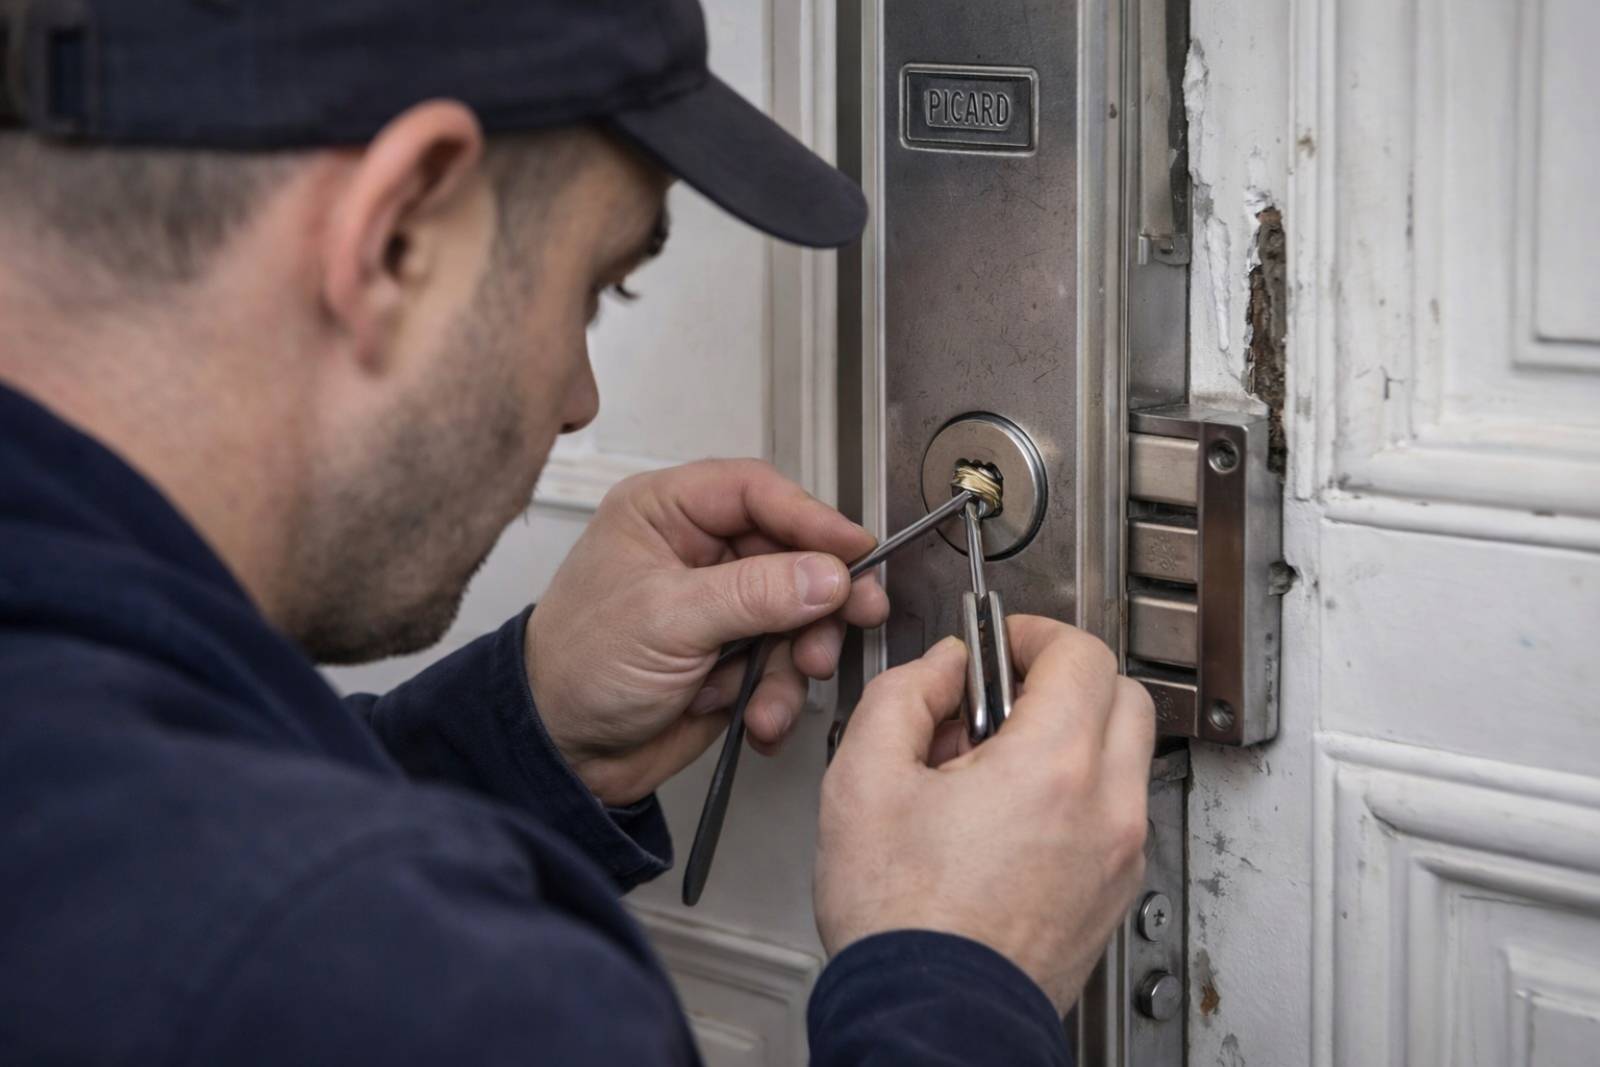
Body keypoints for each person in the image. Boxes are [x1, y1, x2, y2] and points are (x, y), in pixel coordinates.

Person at [0, 1, 1154, 1063]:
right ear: (398, 233)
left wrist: (520, 734)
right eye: (595, 287)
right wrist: (955, 978)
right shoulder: (419, 986)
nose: (579, 399)